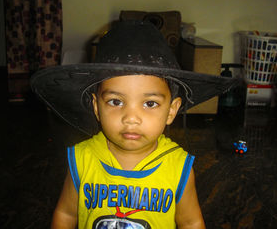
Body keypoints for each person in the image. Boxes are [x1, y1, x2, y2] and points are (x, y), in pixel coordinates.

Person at [31, 21, 236, 229]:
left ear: (172, 110)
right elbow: (66, 214)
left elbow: (191, 222)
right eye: (116, 101)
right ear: (96, 106)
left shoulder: (178, 167)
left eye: (149, 103)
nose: (131, 118)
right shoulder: (82, 160)